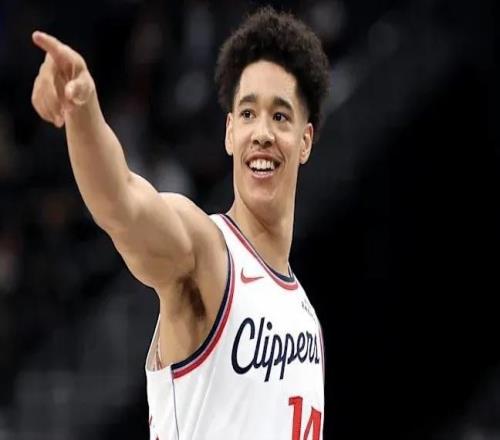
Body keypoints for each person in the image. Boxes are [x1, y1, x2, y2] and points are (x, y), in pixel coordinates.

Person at [31, 6, 330, 439]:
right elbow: (122, 202)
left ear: (305, 141)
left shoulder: (307, 320)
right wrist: (83, 110)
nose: (261, 133)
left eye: (280, 116)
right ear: (229, 133)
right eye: (248, 114)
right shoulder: (208, 251)